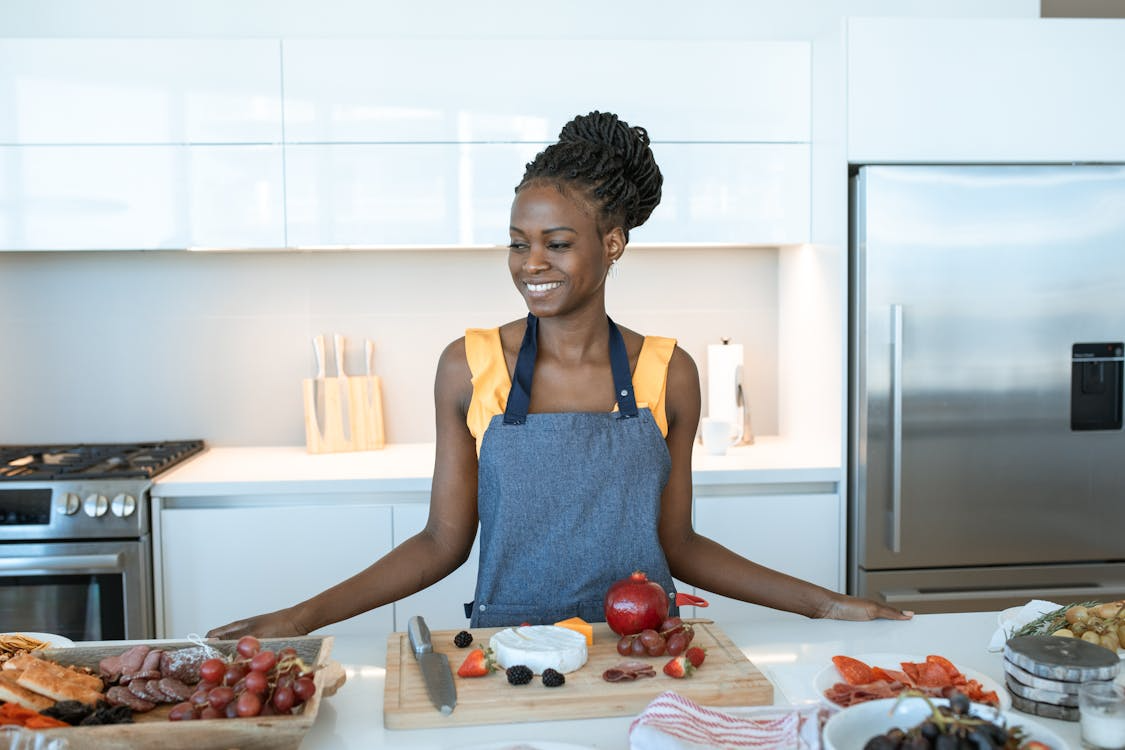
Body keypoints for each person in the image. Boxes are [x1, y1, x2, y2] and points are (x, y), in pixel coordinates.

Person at [207, 111, 910, 639]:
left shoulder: (669, 372)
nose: (530, 263)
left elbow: (678, 545)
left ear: (611, 245)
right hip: (514, 651)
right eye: (518, 243)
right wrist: (299, 617)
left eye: (556, 243)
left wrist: (827, 604)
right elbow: (439, 543)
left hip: (642, 653)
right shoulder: (470, 365)